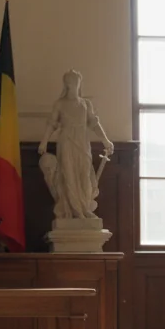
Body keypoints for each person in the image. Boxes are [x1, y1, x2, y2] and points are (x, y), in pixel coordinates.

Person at [38, 70, 114, 219]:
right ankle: (75, 211)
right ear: (66, 84)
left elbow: (94, 124)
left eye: (76, 82)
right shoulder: (60, 104)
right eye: (70, 82)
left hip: (82, 142)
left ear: (79, 84)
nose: (73, 85)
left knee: (84, 174)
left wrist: (105, 140)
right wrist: (44, 141)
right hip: (66, 141)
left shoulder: (86, 104)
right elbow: (52, 124)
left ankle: (85, 208)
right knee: (68, 174)